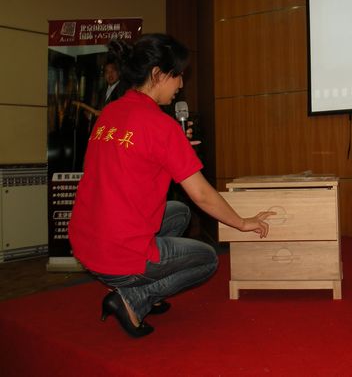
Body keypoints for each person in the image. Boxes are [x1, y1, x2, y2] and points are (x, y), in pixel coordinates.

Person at [68, 33, 273, 337]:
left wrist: (176, 149)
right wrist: (243, 223)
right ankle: (135, 296)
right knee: (207, 260)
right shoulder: (162, 126)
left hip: (86, 242)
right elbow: (202, 195)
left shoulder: (111, 111)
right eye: (177, 75)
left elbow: (129, 160)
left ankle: (135, 284)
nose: (180, 84)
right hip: (117, 253)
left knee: (178, 212)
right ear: (158, 74)